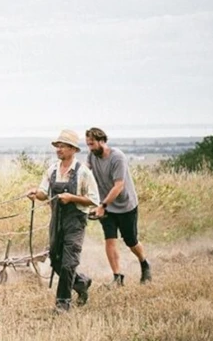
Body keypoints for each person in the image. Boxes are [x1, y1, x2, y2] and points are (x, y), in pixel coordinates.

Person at [26, 129, 101, 313]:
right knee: (56, 260)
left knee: (69, 263)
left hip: (75, 222)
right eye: (58, 145)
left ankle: (62, 304)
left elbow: (94, 200)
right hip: (56, 220)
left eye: (63, 146)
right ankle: (81, 282)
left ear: (73, 149)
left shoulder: (83, 172)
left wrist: (72, 198)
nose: (59, 149)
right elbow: (45, 194)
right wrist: (36, 194)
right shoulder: (51, 170)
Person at [85, 127, 151, 285]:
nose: (90, 147)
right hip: (106, 207)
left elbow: (119, 186)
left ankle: (144, 263)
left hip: (125, 205)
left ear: (102, 141)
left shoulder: (117, 158)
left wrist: (102, 205)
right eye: (88, 144)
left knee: (131, 241)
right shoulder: (92, 156)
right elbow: (85, 172)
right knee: (110, 239)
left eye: (92, 144)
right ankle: (117, 277)